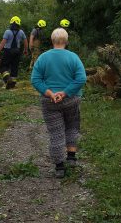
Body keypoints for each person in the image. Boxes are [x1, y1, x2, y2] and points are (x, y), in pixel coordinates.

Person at [31, 28, 87, 178]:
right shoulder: (73, 57)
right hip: (71, 100)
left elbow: (35, 80)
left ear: (52, 41)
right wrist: (65, 92)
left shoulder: (43, 58)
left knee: (56, 132)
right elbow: (81, 79)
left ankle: (59, 167)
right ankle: (71, 157)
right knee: (72, 126)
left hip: (50, 101)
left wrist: (50, 93)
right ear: (66, 42)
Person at [0, 16, 28, 89]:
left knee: (3, 66)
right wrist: (25, 50)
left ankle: (7, 78)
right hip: (17, 51)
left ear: (11, 24)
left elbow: (2, 43)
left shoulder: (7, 32)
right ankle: (12, 84)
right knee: (15, 67)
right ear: (19, 24)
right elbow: (25, 41)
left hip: (8, 51)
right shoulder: (21, 32)